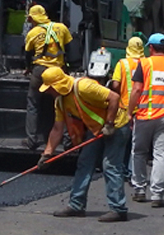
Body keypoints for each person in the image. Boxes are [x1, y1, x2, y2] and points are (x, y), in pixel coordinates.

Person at [38, 67, 131, 222]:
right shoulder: (60, 101)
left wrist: (109, 124)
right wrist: (47, 154)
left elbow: (114, 98)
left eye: (50, 89)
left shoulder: (83, 86)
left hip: (117, 125)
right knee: (84, 162)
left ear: (58, 85)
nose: (48, 92)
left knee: (110, 165)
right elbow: (57, 129)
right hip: (97, 129)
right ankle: (76, 205)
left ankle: (118, 209)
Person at [127, 33, 164, 208]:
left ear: (150, 48)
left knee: (139, 153)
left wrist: (130, 112)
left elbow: (136, 90)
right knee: (161, 155)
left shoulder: (144, 64)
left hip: (145, 116)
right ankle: (157, 195)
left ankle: (139, 190)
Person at [23, 5, 73, 150]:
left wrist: (28, 68)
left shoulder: (33, 33)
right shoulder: (62, 28)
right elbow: (70, 50)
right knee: (64, 104)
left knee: (33, 103)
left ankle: (31, 140)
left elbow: (27, 55)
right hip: (58, 71)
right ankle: (67, 141)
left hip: (39, 71)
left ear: (33, 18)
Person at [109, 36, 145, 178]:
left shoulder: (122, 64)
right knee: (136, 145)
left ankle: (122, 170)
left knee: (122, 141)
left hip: (124, 108)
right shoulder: (146, 63)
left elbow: (116, 84)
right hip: (142, 109)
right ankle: (132, 173)